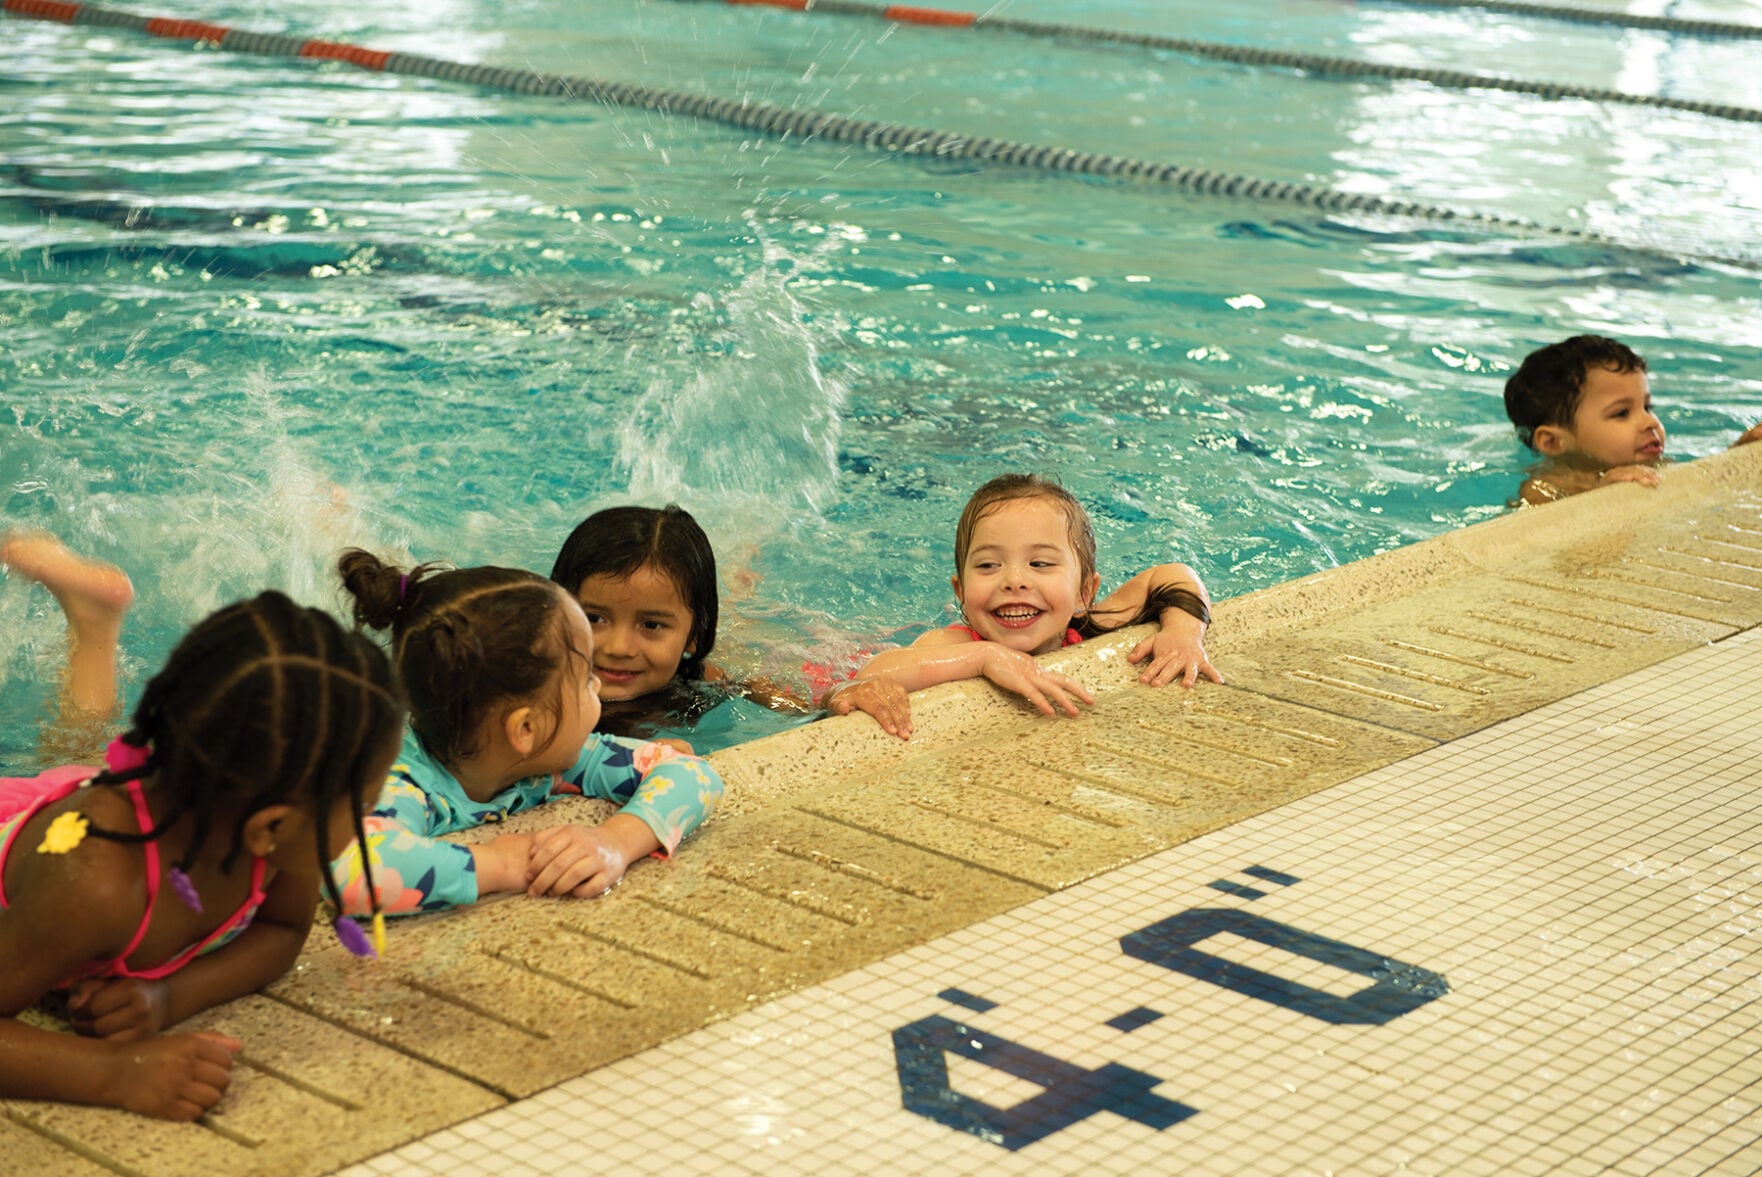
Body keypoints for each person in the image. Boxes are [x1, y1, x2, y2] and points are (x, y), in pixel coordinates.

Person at [0, 533, 404, 1121]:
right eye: (365, 800)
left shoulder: (270, 828)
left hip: (87, 805)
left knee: (78, 753)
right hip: (45, 841)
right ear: (270, 826)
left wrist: (168, 996)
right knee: (70, 762)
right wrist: (114, 1074)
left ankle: (94, 626)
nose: (369, 815)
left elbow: (283, 931)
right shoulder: (94, 888)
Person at [331, 550, 724, 917]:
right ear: (526, 729)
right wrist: (502, 864)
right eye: (586, 678)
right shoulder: (399, 782)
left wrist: (614, 843)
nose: (599, 688)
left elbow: (693, 775)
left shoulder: (552, 759)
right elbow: (354, 871)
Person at [829, 474, 1222, 739]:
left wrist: (1184, 633)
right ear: (961, 592)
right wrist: (984, 656)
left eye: (1040, 564)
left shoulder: (1090, 625)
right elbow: (871, 674)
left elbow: (1173, 573)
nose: (1014, 580)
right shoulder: (953, 644)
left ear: (1085, 592)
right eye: (987, 565)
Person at [549, 505, 810, 745]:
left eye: (651, 625)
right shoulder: (541, 688)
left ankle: (739, 577)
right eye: (594, 618)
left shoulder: (693, 679)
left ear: (693, 637)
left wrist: (832, 704)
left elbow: (753, 686)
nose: (619, 648)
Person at [1503, 335, 1762, 506]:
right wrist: (1599, 498)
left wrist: (1737, 456)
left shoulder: (1652, 465)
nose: (1650, 423)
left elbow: (1698, 488)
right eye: (1621, 413)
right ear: (1553, 442)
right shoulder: (1545, 487)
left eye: (1647, 407)